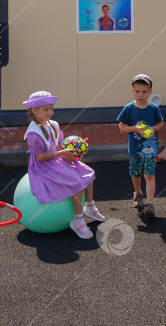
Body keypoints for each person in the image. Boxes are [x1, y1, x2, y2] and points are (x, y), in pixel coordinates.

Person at [23, 91, 105, 239]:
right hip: (43, 166)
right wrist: (62, 154)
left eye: (51, 108)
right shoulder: (33, 134)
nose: (50, 112)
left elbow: (60, 143)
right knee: (76, 182)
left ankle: (90, 206)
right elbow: (40, 157)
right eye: (46, 109)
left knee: (88, 172)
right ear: (34, 110)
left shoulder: (53, 125)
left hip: (56, 160)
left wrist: (77, 145)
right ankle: (78, 221)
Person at [117, 74, 164, 219]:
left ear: (150, 91)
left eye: (144, 92)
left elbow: (160, 123)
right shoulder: (129, 109)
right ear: (132, 91)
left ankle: (150, 204)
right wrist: (135, 129)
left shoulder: (154, 108)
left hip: (150, 148)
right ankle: (138, 193)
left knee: (149, 174)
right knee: (135, 174)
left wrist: (154, 130)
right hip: (135, 149)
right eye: (137, 91)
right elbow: (121, 127)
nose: (140, 95)